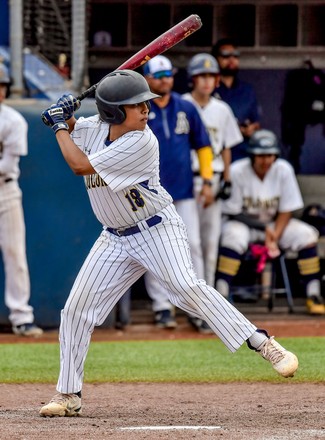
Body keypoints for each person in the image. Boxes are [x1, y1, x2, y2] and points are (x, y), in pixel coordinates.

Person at [39, 70, 298, 417]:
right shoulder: (98, 127)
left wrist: (57, 124)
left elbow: (78, 164)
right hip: (114, 237)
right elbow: (74, 128)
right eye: (137, 105)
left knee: (185, 286)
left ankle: (263, 343)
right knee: (75, 311)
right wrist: (64, 112)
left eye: (146, 103)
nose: (147, 109)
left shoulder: (141, 141)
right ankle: (68, 395)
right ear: (114, 112)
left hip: (156, 229)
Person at [215, 129, 325, 315]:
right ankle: (221, 295)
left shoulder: (283, 169)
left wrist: (274, 234)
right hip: (245, 224)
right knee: (232, 235)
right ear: (252, 155)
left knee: (306, 234)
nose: (265, 160)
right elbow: (233, 212)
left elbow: (286, 209)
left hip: (275, 226)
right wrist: (265, 229)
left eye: (269, 155)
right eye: (260, 155)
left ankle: (313, 295)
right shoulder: (237, 170)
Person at [142, 55, 214, 333]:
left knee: (193, 245)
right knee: (152, 250)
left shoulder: (186, 107)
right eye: (159, 76)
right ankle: (162, 306)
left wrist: (207, 180)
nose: (165, 80)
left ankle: (201, 306)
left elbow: (204, 146)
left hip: (183, 191)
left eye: (168, 75)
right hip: (150, 195)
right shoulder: (140, 109)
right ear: (147, 78)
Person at [182, 53, 243, 291]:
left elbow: (226, 147)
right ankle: (188, 296)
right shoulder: (182, 104)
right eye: (202, 76)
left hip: (213, 179)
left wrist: (226, 179)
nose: (207, 81)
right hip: (186, 180)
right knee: (189, 242)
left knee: (209, 242)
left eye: (211, 76)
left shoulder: (222, 109)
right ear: (193, 79)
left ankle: (207, 295)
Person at [0, 62, 43, 336]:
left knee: (15, 253)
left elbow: (6, 165)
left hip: (6, 191)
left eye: (2, 86)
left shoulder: (14, 120)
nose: (0, 91)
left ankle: (21, 316)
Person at [211, 38, 261, 162]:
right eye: (226, 55)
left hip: (242, 153)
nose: (231, 59)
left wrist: (250, 129)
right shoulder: (209, 88)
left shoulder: (247, 90)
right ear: (215, 59)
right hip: (215, 154)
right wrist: (232, 129)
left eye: (235, 55)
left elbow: (256, 122)